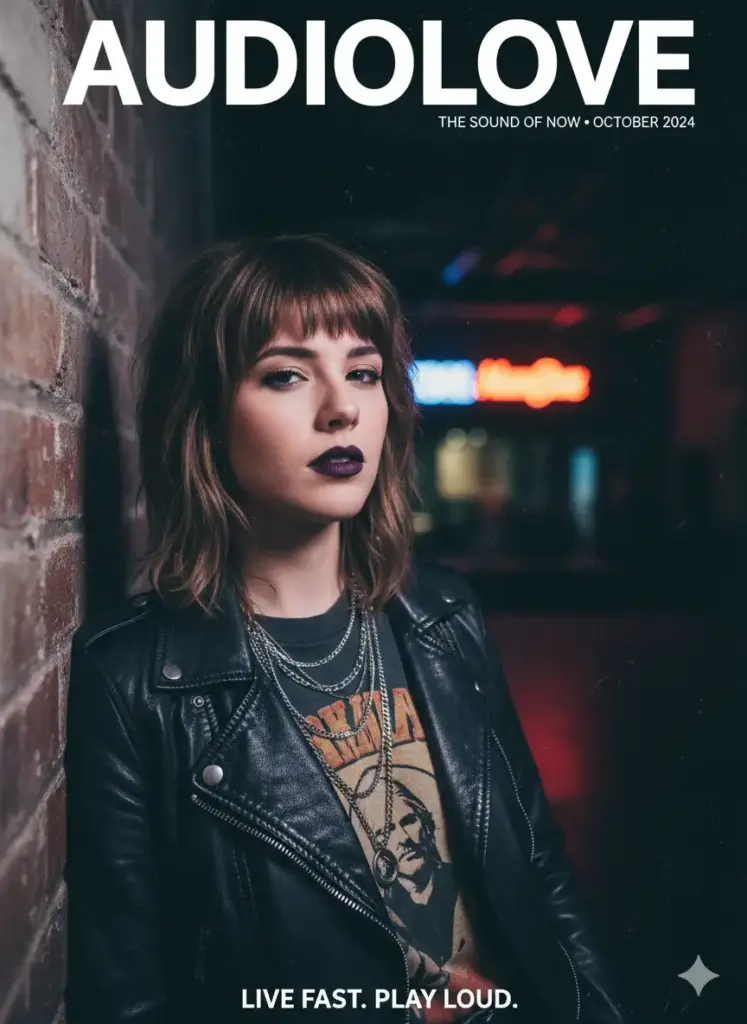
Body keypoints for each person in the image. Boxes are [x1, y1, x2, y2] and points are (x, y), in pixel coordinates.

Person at [64, 235, 630, 1024]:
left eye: (362, 373)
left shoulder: (442, 616)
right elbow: (125, 998)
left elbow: (540, 874)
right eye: (287, 375)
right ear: (203, 415)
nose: (342, 408)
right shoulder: (133, 677)